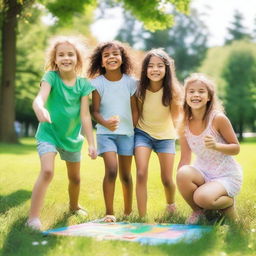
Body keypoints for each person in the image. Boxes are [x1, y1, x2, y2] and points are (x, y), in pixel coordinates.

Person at [27, 36, 97, 230]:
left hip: (71, 138)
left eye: (70, 54)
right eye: (61, 55)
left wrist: (91, 143)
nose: (66, 58)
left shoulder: (83, 84)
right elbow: (39, 99)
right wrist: (40, 108)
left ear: (77, 59)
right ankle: (33, 218)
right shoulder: (51, 77)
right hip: (48, 133)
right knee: (47, 171)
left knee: (75, 178)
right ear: (55, 59)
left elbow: (85, 116)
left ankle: (74, 206)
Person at [176, 73, 242, 224]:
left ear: (209, 97)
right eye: (191, 91)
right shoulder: (184, 123)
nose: (196, 95)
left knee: (201, 197)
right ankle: (201, 212)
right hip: (203, 171)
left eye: (201, 91)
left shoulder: (217, 118)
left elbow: (236, 148)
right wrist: (180, 180)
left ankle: (228, 203)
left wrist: (216, 145)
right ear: (186, 96)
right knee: (183, 173)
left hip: (225, 174)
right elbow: (185, 158)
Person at [88, 41, 138, 222]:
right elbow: (95, 111)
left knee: (126, 175)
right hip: (105, 133)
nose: (111, 57)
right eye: (106, 55)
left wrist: (133, 127)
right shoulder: (97, 83)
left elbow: (135, 109)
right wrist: (105, 123)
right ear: (101, 62)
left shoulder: (131, 82)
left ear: (122, 59)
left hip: (127, 134)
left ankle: (128, 211)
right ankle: (109, 212)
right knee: (111, 170)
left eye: (115, 54)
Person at [135, 49, 182, 217]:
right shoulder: (139, 89)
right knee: (141, 173)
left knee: (167, 179)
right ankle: (141, 216)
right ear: (145, 69)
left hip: (166, 137)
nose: (155, 70)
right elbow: (138, 113)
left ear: (166, 69)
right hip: (143, 134)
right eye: (151, 66)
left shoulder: (173, 91)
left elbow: (177, 119)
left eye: (160, 66)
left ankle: (171, 205)